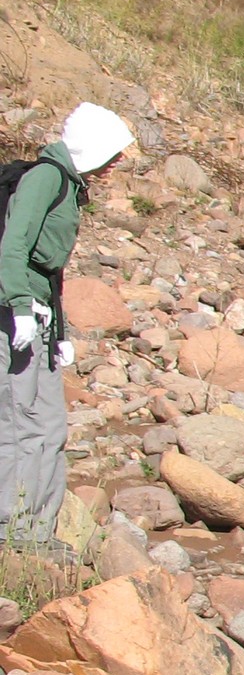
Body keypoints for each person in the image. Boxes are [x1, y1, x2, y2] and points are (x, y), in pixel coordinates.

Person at [0, 102, 134, 550]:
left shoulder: (69, 184)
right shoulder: (46, 178)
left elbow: (51, 271)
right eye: (113, 153)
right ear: (91, 146)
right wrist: (20, 304)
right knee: (22, 428)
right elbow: (13, 247)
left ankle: (37, 531)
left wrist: (59, 336)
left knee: (50, 427)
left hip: (39, 320)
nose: (117, 163)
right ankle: (12, 534)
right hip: (15, 317)